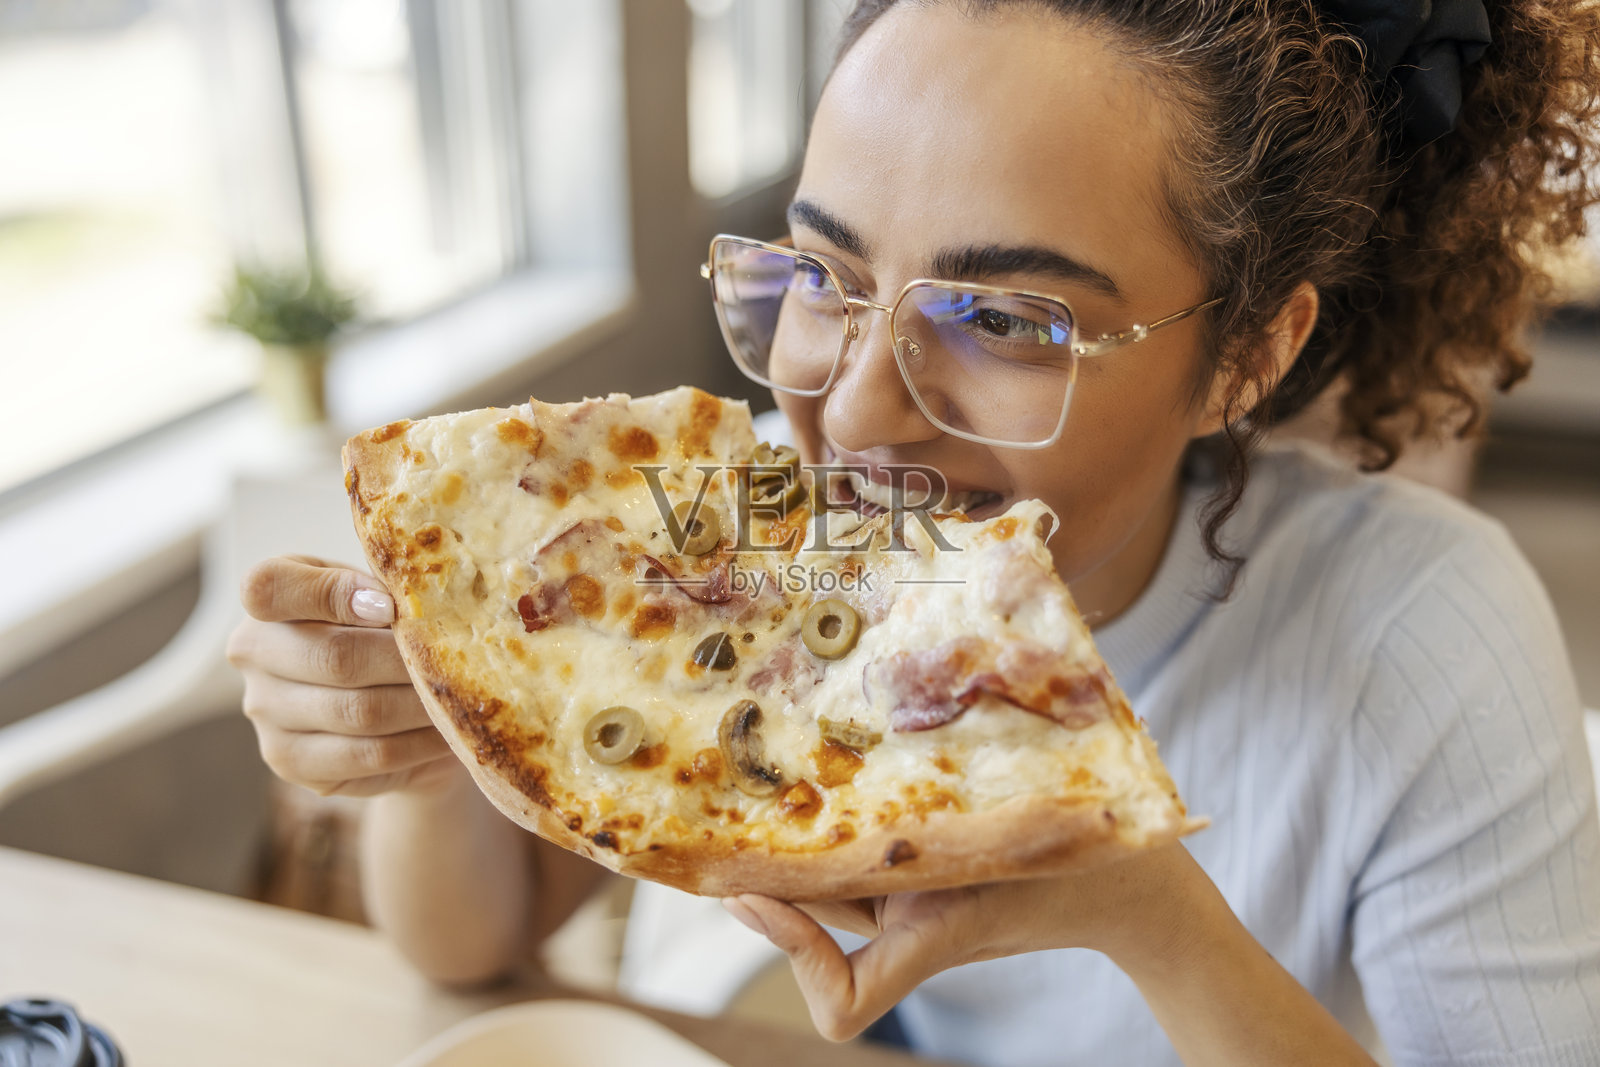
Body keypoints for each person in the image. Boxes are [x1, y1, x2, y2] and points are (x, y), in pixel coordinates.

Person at [227, 1, 1600, 1063]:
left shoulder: (1427, 641)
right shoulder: (725, 532)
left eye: (1003, 319)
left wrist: (1147, 916)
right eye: (823, 274)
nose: (857, 414)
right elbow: (466, 944)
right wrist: (431, 714)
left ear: (1250, 351)